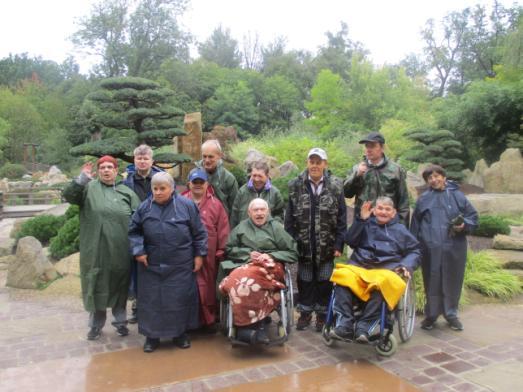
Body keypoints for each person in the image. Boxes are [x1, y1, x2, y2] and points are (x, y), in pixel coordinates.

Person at [128, 172, 208, 353]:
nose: (158, 192)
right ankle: (151, 336)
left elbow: (200, 233)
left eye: (162, 188)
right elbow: (134, 232)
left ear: (172, 189)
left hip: (180, 263)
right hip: (151, 265)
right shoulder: (144, 207)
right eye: (155, 189)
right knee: (151, 301)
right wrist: (138, 250)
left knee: (178, 300)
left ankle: (180, 334)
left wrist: (199, 255)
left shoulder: (186, 205)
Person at [62, 156, 140, 341]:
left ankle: (120, 322)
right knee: (96, 284)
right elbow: (69, 196)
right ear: (98, 171)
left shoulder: (126, 192)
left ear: (116, 170)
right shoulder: (88, 189)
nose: (106, 170)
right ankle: (96, 325)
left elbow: (139, 219)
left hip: (121, 250)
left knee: (119, 286)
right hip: (95, 250)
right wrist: (81, 179)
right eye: (102, 167)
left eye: (110, 167)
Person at [330, 197, 420, 342]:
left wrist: (406, 265)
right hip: (360, 266)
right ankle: (345, 325)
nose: (383, 212)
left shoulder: (400, 230)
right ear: (374, 210)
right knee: (342, 276)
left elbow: (414, 251)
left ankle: (364, 327)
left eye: (387, 209)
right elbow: (350, 241)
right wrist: (361, 220)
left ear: (393, 212)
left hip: (385, 269)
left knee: (382, 285)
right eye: (380, 208)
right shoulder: (365, 224)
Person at [219, 198, 298, 344]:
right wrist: (247, 254)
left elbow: (292, 252)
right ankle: (253, 327)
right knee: (235, 280)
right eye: (256, 210)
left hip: (270, 267)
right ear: (249, 213)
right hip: (246, 265)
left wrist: (270, 255)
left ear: (268, 212)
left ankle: (249, 327)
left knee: (249, 281)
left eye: (262, 210)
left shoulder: (276, 228)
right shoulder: (241, 228)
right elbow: (229, 249)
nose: (259, 213)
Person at [285, 148, 347, 332]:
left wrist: (339, 244)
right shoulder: (295, 185)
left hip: (327, 246)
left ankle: (322, 315)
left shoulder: (336, 185)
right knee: (304, 280)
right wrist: (292, 242)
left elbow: (342, 218)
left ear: (325, 164)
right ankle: (304, 313)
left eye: (318, 162)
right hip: (303, 246)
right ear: (307, 163)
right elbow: (289, 220)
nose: (315, 165)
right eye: (312, 161)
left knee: (324, 280)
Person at [411, 165, 478, 332]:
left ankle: (451, 314)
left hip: (453, 246)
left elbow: (473, 216)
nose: (434, 180)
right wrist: (414, 248)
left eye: (436, 176)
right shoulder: (423, 199)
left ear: (443, 177)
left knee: (453, 280)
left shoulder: (457, 196)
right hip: (430, 248)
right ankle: (431, 315)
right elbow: (415, 225)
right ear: (427, 181)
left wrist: (464, 225)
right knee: (431, 280)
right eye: (430, 178)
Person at [181, 168, 230, 329]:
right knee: (188, 286)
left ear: (206, 184)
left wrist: (221, 250)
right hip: (185, 254)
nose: (198, 185)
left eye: (201, 182)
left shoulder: (216, 204)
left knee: (208, 288)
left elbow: (223, 228)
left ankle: (208, 321)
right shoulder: (180, 201)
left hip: (209, 255)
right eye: (195, 182)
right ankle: (189, 321)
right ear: (189, 183)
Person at [122, 144, 163, 324]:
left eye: (146, 158)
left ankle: (156, 306)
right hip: (135, 228)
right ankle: (138, 306)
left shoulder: (161, 178)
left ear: (152, 161)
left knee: (155, 270)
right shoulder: (126, 181)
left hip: (157, 228)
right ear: (134, 160)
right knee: (137, 271)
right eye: (139, 158)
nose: (142, 161)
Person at [344, 131, 410, 226]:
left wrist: (402, 230)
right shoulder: (357, 169)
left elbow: (403, 203)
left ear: (382, 148)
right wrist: (357, 175)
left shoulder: (395, 170)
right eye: (367, 146)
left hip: (389, 225)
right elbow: (347, 194)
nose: (369, 150)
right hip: (364, 224)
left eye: (373, 146)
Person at [229, 160, 285, 228]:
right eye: (254, 175)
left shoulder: (275, 193)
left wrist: (270, 225)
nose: (256, 179)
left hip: (267, 234)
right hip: (245, 233)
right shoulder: (242, 192)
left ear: (267, 176)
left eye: (260, 176)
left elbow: (280, 216)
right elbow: (234, 216)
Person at [196, 139, 238, 216]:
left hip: (221, 221)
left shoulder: (228, 179)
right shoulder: (194, 175)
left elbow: (234, 208)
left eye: (211, 157)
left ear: (219, 156)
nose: (207, 160)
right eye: (204, 156)